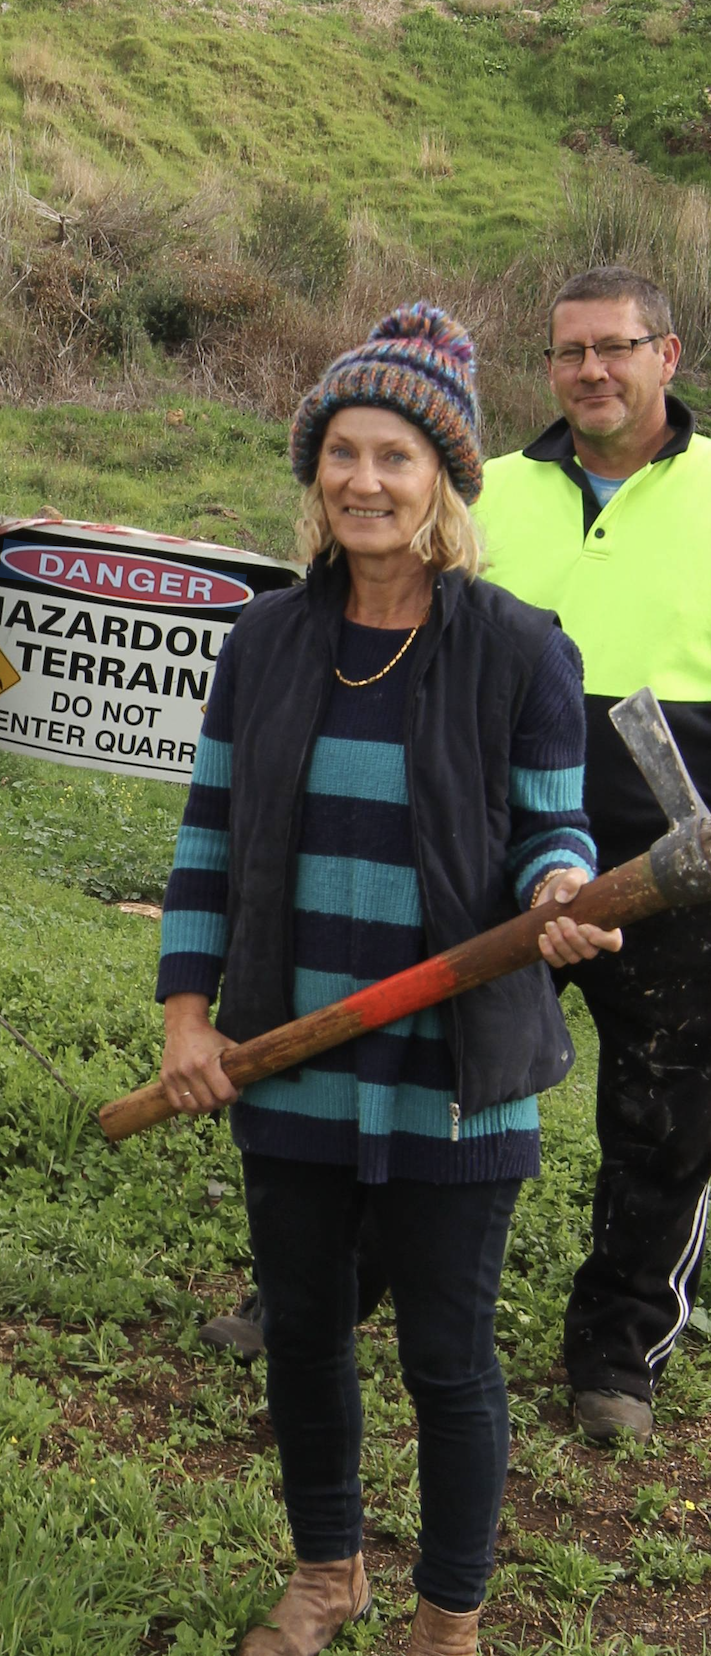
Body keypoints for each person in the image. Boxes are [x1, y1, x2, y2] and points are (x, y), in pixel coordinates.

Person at [155, 306, 620, 1656]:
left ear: (444, 484)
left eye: (395, 458)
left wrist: (554, 894)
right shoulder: (268, 644)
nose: (364, 480)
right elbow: (205, 849)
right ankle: (325, 1573)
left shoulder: (520, 650)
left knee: (450, 1362)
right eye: (342, 453)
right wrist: (193, 1017)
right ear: (315, 475)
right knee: (303, 1333)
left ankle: (449, 1617)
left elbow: (554, 827)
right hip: (293, 1053)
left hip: (454, 1074)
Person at [475, 266, 711, 1447]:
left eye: (614, 348)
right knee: (427, 1070)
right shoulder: (490, 491)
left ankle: (617, 1347)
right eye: (569, 351)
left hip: (678, 864)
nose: (589, 372)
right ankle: (326, 1290)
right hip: (499, 843)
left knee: (667, 1111)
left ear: (667, 355)